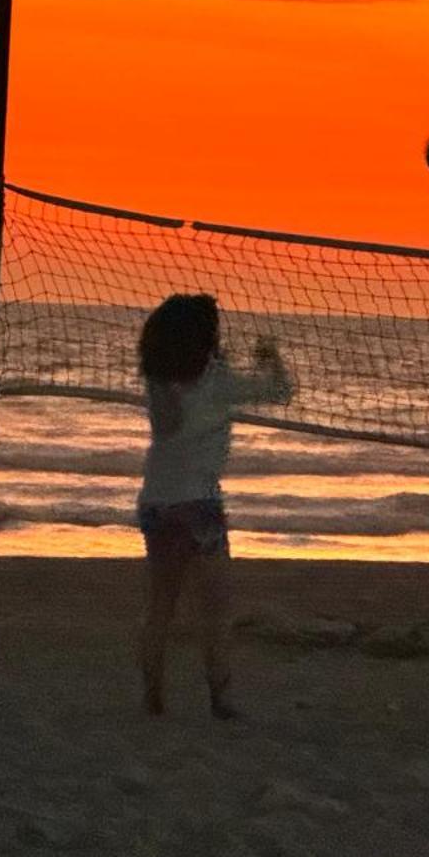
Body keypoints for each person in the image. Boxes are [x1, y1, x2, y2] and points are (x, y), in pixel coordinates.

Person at [135, 294, 292, 719]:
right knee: (215, 611)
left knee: (161, 605)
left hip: (155, 502)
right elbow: (281, 390)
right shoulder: (217, 382)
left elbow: (176, 414)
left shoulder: (155, 379)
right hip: (198, 504)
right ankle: (220, 698)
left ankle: (153, 694)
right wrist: (269, 354)